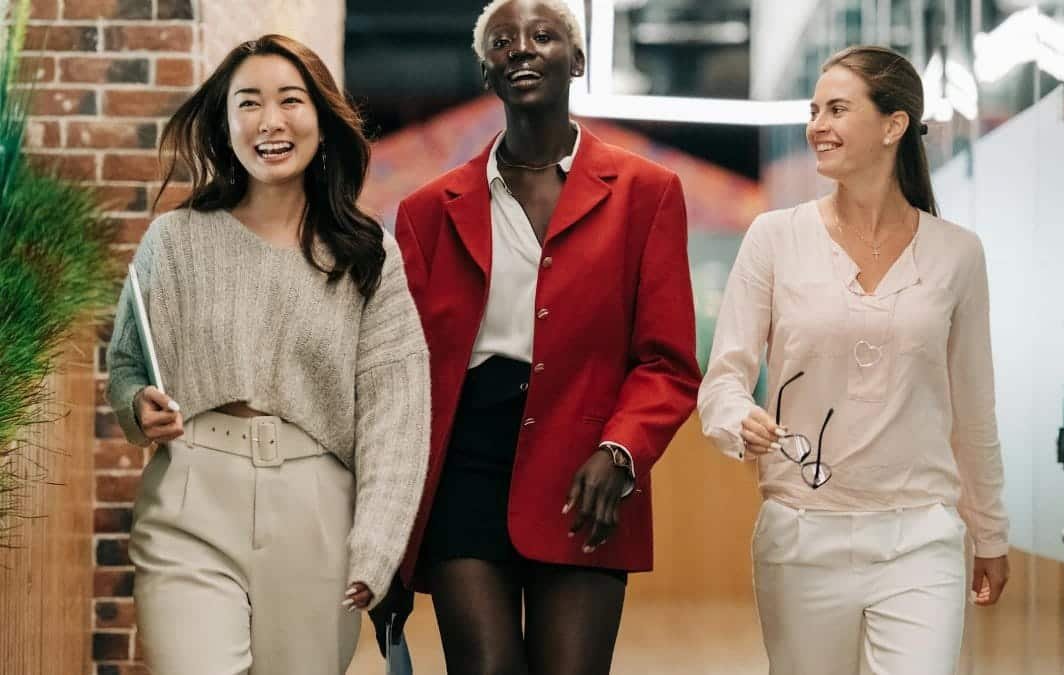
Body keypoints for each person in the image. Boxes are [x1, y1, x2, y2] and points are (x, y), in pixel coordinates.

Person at [369, 1, 701, 673]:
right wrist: (384, 531)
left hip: (589, 471)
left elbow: (667, 362)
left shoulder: (647, 193)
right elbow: (400, 377)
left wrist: (622, 451)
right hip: (463, 464)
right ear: (487, 70)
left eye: (543, 36)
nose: (521, 48)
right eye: (502, 41)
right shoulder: (426, 212)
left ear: (576, 62)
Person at [105, 34, 430, 675]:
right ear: (226, 126)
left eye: (290, 100)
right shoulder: (175, 239)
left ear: (320, 119)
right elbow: (127, 366)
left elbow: (397, 417)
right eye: (248, 103)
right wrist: (137, 405)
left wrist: (377, 545)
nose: (270, 121)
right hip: (190, 495)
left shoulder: (368, 256)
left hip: (317, 515)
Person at [697, 45, 1010, 674]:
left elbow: (974, 406)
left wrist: (990, 532)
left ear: (894, 125)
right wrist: (739, 420)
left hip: (920, 536)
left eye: (838, 109)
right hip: (801, 535)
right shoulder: (773, 238)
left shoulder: (957, 254)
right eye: (814, 111)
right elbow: (724, 379)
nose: (817, 126)